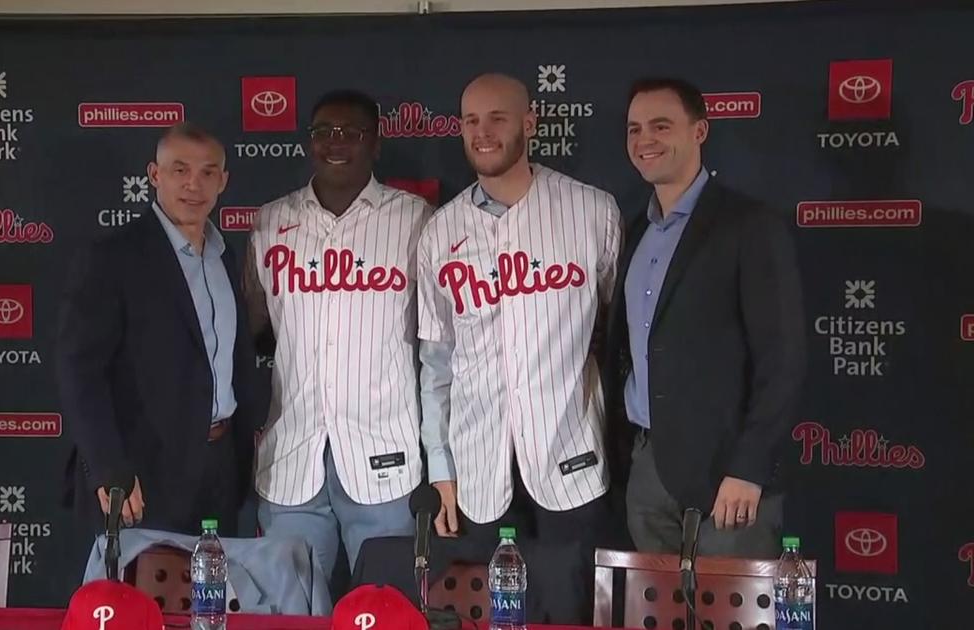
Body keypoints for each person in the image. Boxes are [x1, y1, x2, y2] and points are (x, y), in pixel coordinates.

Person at [417, 73, 622, 547]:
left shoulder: (592, 211)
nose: (482, 132)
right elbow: (436, 365)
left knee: (570, 617)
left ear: (530, 122)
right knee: (487, 617)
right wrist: (441, 467)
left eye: (497, 118)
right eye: (471, 120)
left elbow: (613, 324)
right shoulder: (439, 232)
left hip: (571, 461)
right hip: (477, 469)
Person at [603, 78, 806, 557]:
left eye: (660, 125)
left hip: (728, 475)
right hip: (648, 468)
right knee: (653, 613)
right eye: (634, 129)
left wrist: (750, 468)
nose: (644, 140)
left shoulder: (749, 225)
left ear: (700, 131)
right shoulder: (632, 231)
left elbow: (783, 361)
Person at [244, 89, 432, 577]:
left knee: (388, 609)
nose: (336, 142)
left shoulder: (416, 220)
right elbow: (257, 329)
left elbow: (439, 343)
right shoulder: (270, 222)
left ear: (376, 142)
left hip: (385, 459)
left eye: (351, 132)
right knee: (287, 611)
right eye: (323, 131)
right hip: (293, 456)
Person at [57, 123, 258, 539]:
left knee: (213, 601)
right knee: (141, 602)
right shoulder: (113, 258)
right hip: (142, 473)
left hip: (219, 467)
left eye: (207, 172)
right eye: (180, 170)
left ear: (223, 181)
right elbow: (80, 371)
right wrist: (109, 467)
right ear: (154, 175)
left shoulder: (224, 255)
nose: (193, 185)